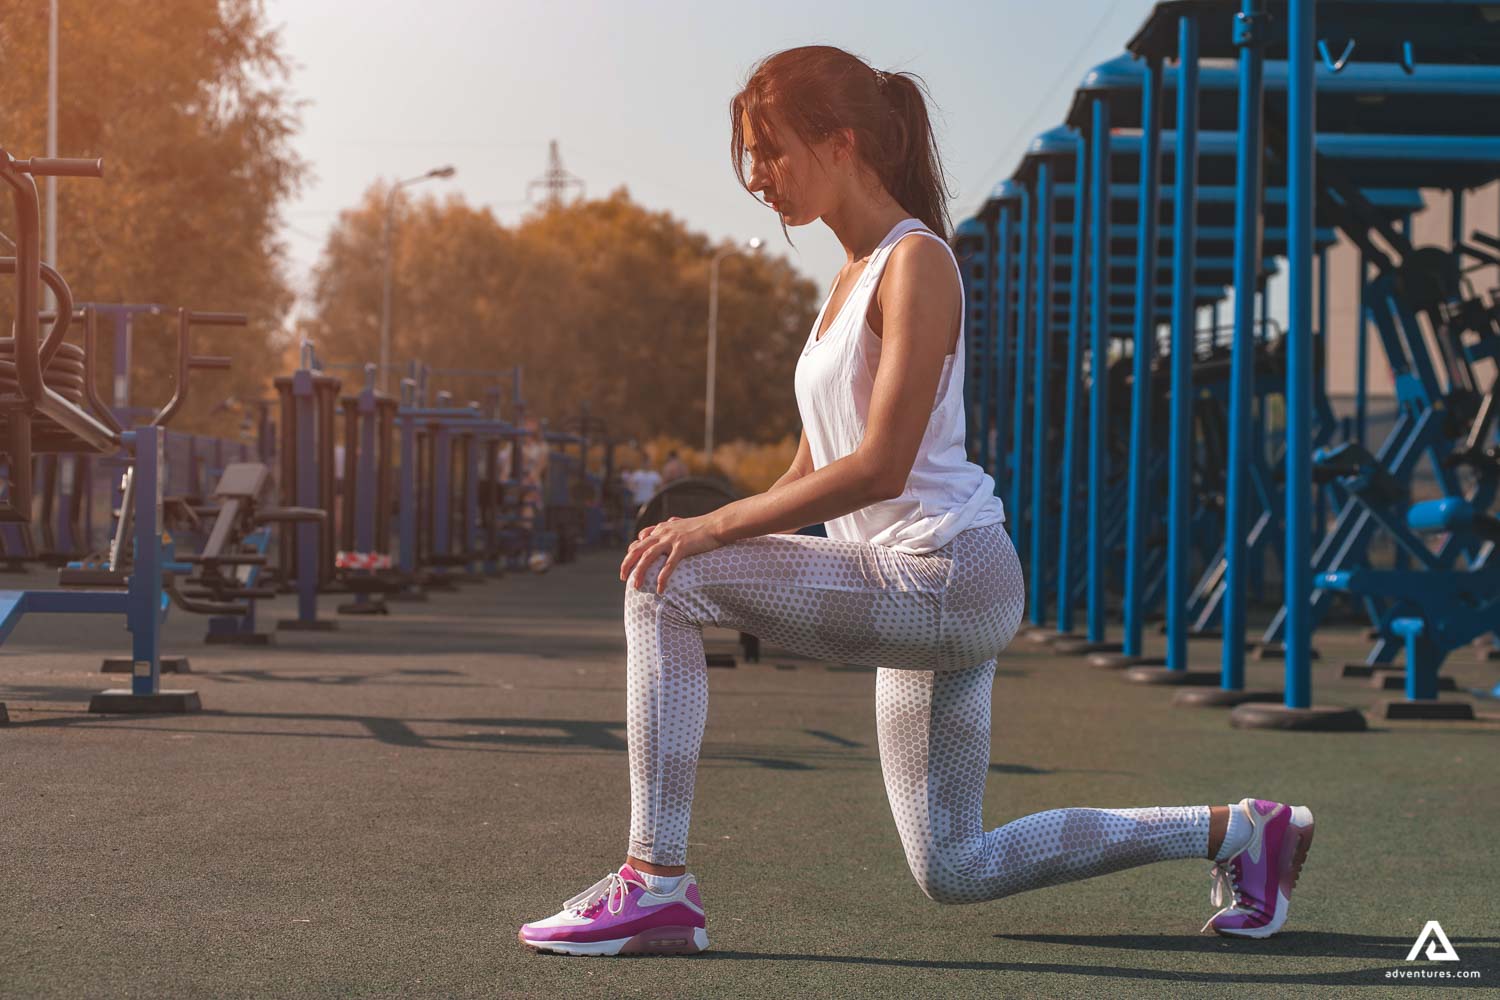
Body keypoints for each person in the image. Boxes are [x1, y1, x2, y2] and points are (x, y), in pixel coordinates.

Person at [518, 45, 1313, 959]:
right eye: (751, 160)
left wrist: (706, 530)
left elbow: (882, 466)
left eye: (771, 151)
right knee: (955, 866)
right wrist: (722, 526)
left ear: (840, 142)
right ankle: (1243, 832)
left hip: (946, 574)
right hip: (908, 582)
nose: (759, 180)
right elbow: (813, 468)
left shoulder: (917, 265)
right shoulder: (847, 281)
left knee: (664, 582)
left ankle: (654, 884)